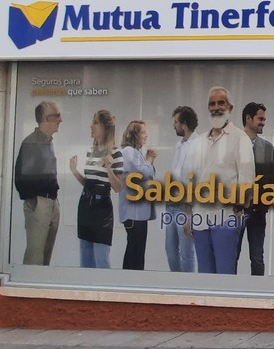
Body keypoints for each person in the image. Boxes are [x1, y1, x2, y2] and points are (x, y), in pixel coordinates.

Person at [187, 86, 255, 274]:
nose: (216, 107)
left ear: (230, 107)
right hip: (200, 217)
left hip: (226, 217)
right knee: (204, 275)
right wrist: (189, 215)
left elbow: (247, 180)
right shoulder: (200, 141)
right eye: (212, 104)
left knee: (225, 275)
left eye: (221, 103)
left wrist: (237, 207)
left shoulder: (240, 138)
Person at [69, 109, 123, 269]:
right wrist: (74, 171)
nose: (91, 126)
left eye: (95, 123)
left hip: (102, 209)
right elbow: (88, 183)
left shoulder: (116, 153)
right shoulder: (90, 151)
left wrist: (109, 168)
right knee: (85, 259)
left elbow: (118, 187)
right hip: (85, 205)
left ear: (104, 127)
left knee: (101, 259)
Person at [15, 101, 62, 266]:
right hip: (40, 203)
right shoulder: (32, 142)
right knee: (35, 255)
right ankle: (29, 280)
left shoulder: (47, 141)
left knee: (46, 253)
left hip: (51, 201)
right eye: (57, 116)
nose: (60, 120)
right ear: (46, 118)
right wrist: (35, 201)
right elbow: (22, 179)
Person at [239, 102, 274, 276]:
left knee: (257, 258)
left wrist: (263, 205)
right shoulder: (234, 144)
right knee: (231, 256)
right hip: (235, 212)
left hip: (258, 213)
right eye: (260, 119)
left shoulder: (267, 148)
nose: (263, 122)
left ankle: (258, 290)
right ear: (248, 118)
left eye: (264, 119)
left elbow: (272, 180)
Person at [118, 120, 157, 270]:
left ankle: (134, 278)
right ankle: (130, 279)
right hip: (133, 212)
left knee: (137, 250)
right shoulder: (128, 152)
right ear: (134, 135)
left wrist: (148, 162)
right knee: (135, 250)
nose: (146, 136)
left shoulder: (137, 153)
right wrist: (149, 160)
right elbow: (142, 173)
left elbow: (149, 173)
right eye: (143, 132)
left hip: (139, 212)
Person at [164, 106, 198, 272]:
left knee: (186, 252)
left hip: (186, 207)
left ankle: (187, 285)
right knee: (170, 250)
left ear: (184, 124)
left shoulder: (198, 145)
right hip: (171, 204)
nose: (174, 125)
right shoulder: (178, 145)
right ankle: (175, 282)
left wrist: (189, 214)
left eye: (176, 122)